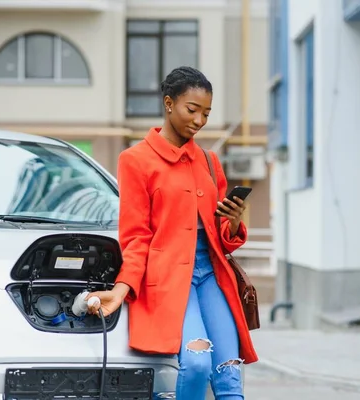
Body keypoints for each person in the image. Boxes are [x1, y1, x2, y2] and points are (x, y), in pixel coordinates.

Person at [86, 66, 258, 399]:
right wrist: (121, 290)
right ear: (168, 103)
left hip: (211, 275)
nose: (199, 121)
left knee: (230, 376)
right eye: (191, 110)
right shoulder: (135, 160)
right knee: (196, 365)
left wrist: (234, 221)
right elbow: (136, 237)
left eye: (206, 113)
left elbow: (221, 235)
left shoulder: (209, 161)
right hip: (168, 280)